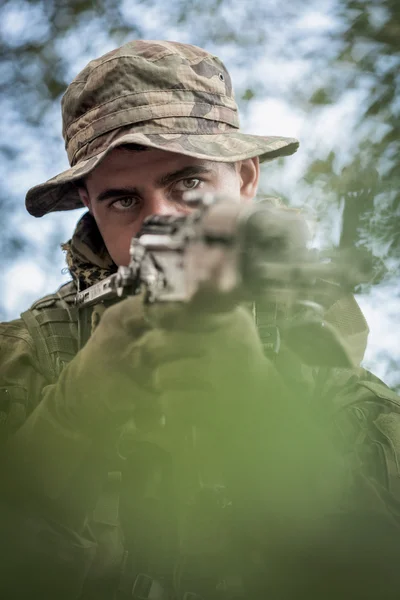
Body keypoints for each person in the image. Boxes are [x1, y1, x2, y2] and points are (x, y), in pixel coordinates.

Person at [1, 40, 400, 600]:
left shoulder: (336, 378)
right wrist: (70, 421)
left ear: (245, 178)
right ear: (89, 205)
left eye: (187, 182)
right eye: (122, 200)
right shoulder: (23, 359)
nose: (161, 219)